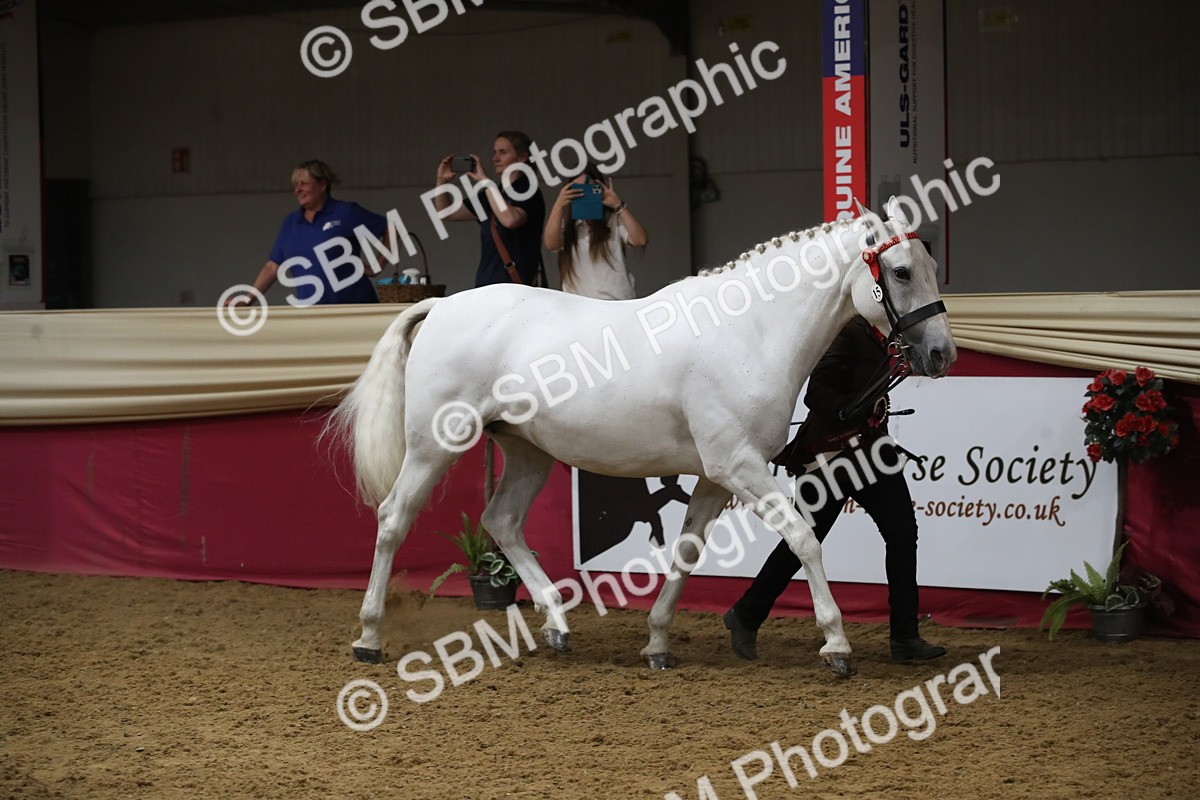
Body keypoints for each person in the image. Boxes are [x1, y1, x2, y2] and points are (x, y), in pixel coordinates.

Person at [723, 316, 947, 664]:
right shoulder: (848, 333)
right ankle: (747, 614)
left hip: (871, 451)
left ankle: (905, 637)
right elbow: (817, 392)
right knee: (801, 542)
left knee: (903, 533)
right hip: (829, 454)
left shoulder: (887, 336)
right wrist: (847, 409)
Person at [240, 160, 388, 305]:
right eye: (296, 185)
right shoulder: (291, 222)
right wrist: (247, 300)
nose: (297, 190)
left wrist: (377, 265)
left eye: (304, 184)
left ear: (322, 185)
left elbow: (391, 228)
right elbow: (272, 267)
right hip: (312, 312)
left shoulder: (345, 212)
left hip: (354, 307)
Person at [433, 131, 546, 288]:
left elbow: (510, 219)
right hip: (488, 287)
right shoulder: (492, 193)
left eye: (503, 152)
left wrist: (484, 181)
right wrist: (442, 181)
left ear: (522, 158)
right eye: (495, 152)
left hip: (516, 289)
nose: (495, 158)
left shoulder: (527, 190)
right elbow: (446, 212)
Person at [542, 165, 647, 300]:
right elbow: (551, 244)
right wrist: (559, 205)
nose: (584, 193)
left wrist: (618, 205)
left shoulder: (613, 219)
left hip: (616, 302)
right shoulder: (566, 224)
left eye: (590, 188)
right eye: (577, 189)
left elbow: (640, 240)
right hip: (579, 304)